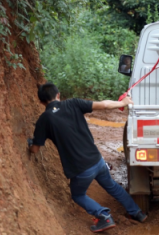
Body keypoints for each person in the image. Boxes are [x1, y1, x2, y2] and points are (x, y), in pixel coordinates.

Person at [28, 82, 147, 233]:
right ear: (58, 95)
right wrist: (123, 102)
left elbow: (35, 149)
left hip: (80, 169)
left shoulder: (43, 120)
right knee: (112, 186)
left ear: (41, 101)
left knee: (78, 195)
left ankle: (103, 216)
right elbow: (104, 105)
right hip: (97, 160)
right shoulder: (73, 103)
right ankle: (137, 212)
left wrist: (30, 143)